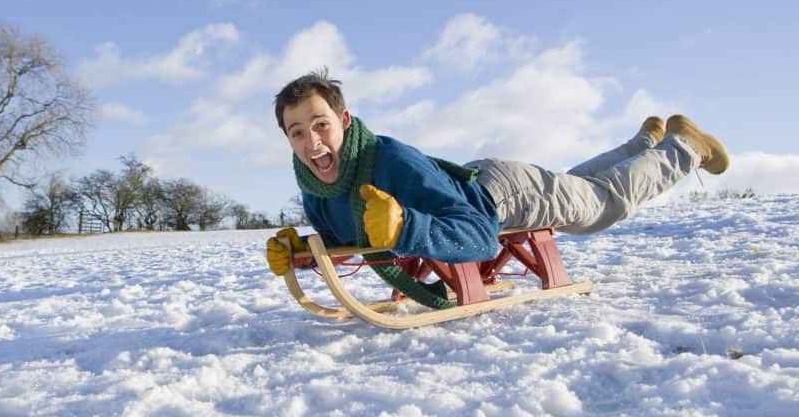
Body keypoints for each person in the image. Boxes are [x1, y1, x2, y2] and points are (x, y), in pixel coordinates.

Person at [265, 69, 729, 276]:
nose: (313, 143)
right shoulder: (315, 186)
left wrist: (408, 226)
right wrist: (304, 254)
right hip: (474, 182)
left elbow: (482, 237)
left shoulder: (389, 161)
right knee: (585, 188)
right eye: (297, 132)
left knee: (601, 206)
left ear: (344, 121)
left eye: (321, 125)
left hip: (504, 195)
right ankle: (644, 142)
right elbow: (347, 239)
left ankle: (685, 147)